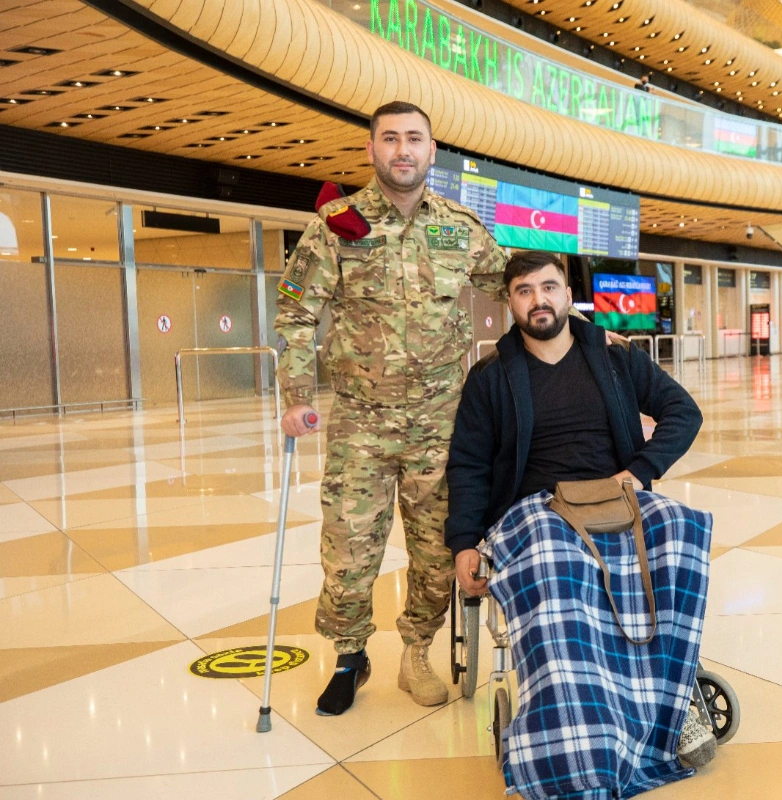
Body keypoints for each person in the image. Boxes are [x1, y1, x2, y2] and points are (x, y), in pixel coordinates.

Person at [274, 101, 514, 716]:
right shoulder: (336, 225)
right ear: (371, 149)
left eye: (414, 139)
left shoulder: (460, 226)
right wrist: (297, 396)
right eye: (390, 139)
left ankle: (417, 651)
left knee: (439, 551)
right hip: (361, 421)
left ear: (432, 151)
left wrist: (584, 339)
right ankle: (351, 655)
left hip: (442, 423)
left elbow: (516, 285)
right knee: (349, 549)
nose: (402, 149)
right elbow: (297, 312)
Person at [445, 251, 715, 796]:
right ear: (511, 303)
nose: (538, 299)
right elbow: (469, 465)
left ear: (569, 296)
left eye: (549, 287)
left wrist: (640, 472)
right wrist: (463, 544)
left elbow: (683, 412)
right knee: (561, 567)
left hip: (614, 497)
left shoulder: (615, 359)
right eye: (524, 290)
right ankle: (581, 729)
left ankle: (672, 699)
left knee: (679, 534)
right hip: (535, 509)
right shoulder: (491, 377)